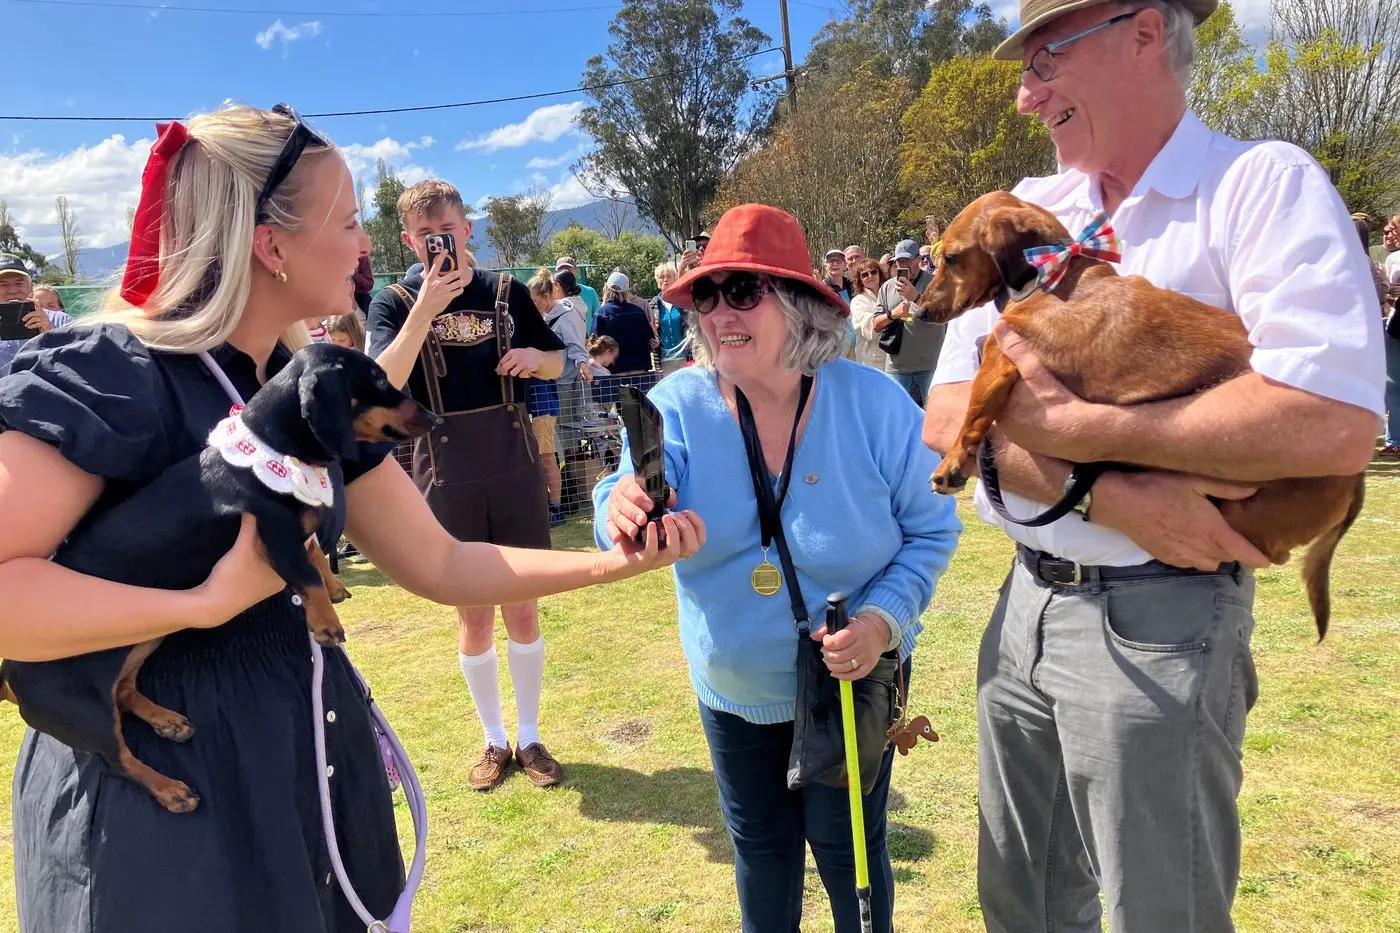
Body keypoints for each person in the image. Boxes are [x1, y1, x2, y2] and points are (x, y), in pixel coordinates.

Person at [0, 103, 704, 933]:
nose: (367, 244)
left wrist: (623, 560)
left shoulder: (309, 388)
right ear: (272, 244)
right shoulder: (117, 375)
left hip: (305, 766)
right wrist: (202, 604)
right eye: (348, 221)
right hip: (165, 813)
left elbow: (442, 564)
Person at [922, 3, 1385, 931]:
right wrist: (1107, 484)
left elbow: (1331, 422)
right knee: (1022, 903)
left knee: (1156, 910)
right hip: (1024, 607)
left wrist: (1068, 429)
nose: (1023, 95)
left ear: (1143, 31)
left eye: (1046, 56)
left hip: (1163, 619)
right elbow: (944, 419)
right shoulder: (1028, 211)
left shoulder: (1257, 185)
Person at [595, 204, 961, 933]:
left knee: (851, 854)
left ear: (797, 304)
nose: (719, 312)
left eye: (742, 291)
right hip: (734, 692)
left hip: (849, 681)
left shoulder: (876, 404)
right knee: (762, 853)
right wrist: (622, 505)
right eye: (707, 293)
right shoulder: (680, 403)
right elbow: (632, 479)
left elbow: (931, 531)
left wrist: (882, 621)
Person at [366, 179, 572, 792]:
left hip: (512, 463)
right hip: (444, 468)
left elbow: (561, 359)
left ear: (468, 228)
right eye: (428, 238)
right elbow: (381, 385)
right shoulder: (393, 301)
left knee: (524, 606)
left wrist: (536, 362)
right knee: (473, 614)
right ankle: (491, 740)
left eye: (450, 234)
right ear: (408, 239)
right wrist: (426, 308)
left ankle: (530, 737)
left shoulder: (505, 290)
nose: (441, 246)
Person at [528, 267, 588, 526]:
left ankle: (560, 503)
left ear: (545, 295)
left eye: (535, 299)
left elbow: (577, 345)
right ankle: (558, 500)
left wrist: (583, 364)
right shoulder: (542, 317)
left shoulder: (566, 315)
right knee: (555, 447)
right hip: (547, 387)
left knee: (554, 449)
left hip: (558, 386)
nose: (533, 304)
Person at [876, 239, 942, 407]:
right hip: (897, 367)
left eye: (907, 260)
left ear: (918, 259)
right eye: (899, 261)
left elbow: (942, 316)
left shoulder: (935, 283)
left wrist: (916, 298)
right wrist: (893, 314)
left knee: (933, 417)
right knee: (894, 416)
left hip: (930, 365)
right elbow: (876, 325)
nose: (902, 265)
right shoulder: (887, 287)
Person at [0, 255, 71, 375]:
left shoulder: (61, 321)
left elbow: (78, 366)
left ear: (31, 287)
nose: (13, 290)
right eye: (3, 285)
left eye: (19, 283)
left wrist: (48, 334)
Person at [591, 270, 658, 375]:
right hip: (639, 368)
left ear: (607, 289)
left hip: (613, 370)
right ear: (627, 290)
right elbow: (651, 340)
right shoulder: (638, 312)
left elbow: (594, 344)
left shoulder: (601, 313)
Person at [848, 258, 890, 369]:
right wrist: (892, 316)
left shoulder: (889, 294)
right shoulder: (858, 301)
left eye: (873, 272)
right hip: (870, 359)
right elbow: (868, 328)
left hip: (893, 357)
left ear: (880, 274)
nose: (870, 276)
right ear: (859, 280)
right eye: (864, 275)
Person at [1381, 214, 1400, 457]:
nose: (1388, 232)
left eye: (1393, 228)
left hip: (1397, 327)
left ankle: (1395, 439)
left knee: (1394, 385)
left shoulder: (1394, 259)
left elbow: (1389, 290)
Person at [650, 261, 690, 374]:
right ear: (657, 282)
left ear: (675, 279)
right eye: (661, 277)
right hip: (665, 358)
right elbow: (651, 331)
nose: (665, 280)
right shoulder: (652, 305)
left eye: (669, 276)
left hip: (685, 356)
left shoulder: (682, 302)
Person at [555, 256, 600, 330]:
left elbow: (598, 319)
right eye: (562, 270)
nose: (566, 272)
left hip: (587, 340)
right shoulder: (552, 294)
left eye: (569, 269)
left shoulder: (590, 292)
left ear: (576, 271)